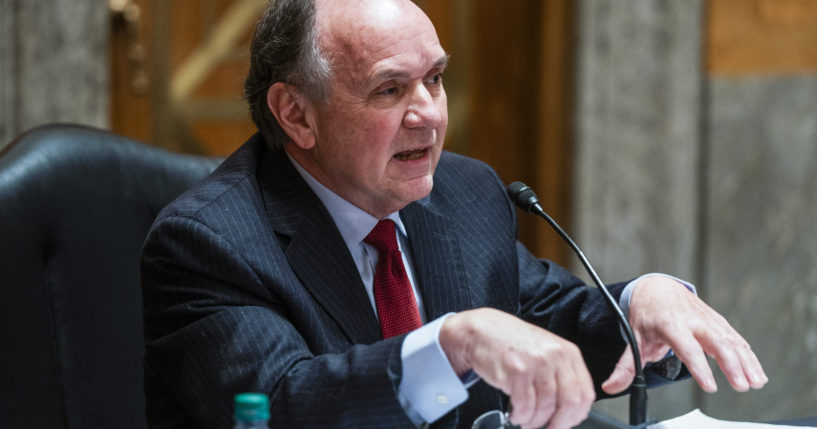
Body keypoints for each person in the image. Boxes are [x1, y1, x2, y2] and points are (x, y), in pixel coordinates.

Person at [140, 0, 767, 428]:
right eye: (390, 89)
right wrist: (448, 345)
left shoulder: (463, 192)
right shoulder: (208, 244)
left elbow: (548, 324)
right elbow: (284, 406)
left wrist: (640, 306)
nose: (429, 115)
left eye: (434, 80)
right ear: (297, 114)